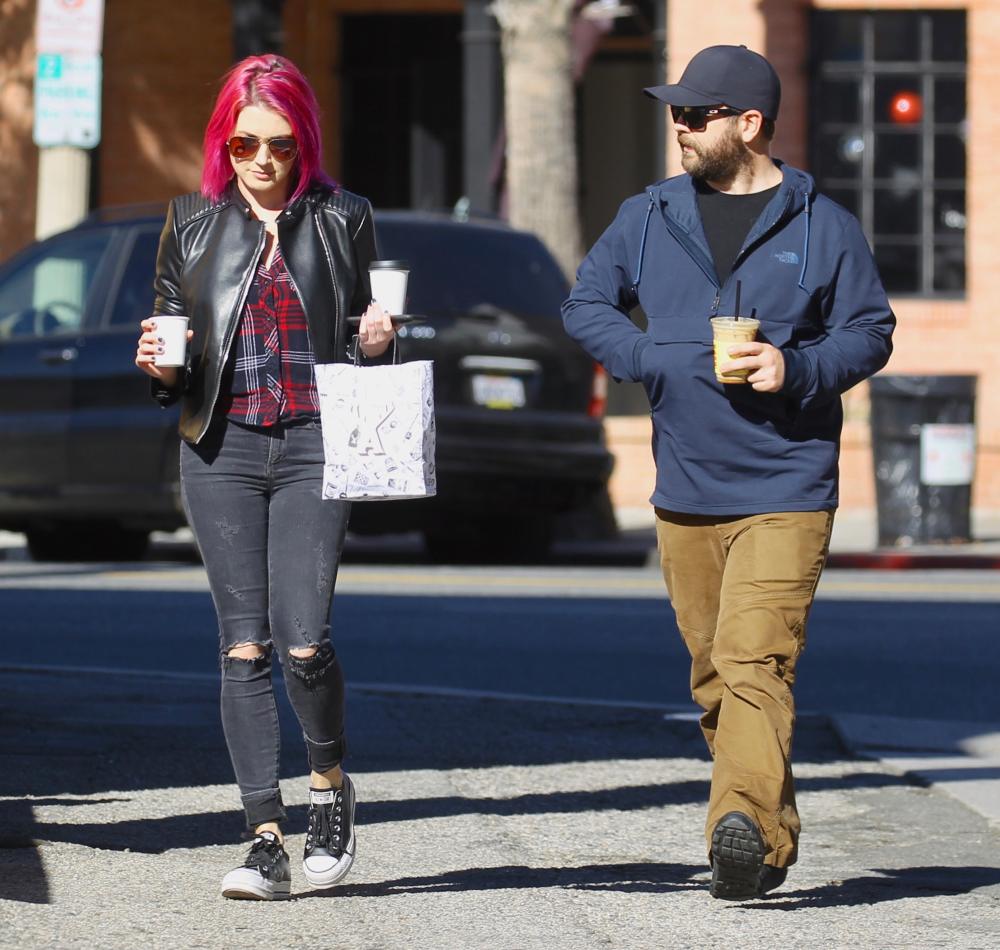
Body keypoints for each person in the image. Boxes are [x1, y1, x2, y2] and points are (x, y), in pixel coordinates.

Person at [562, 45, 894, 900]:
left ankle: (736, 828)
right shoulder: (650, 214)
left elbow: (869, 328)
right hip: (685, 488)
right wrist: (641, 354)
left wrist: (800, 369)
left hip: (786, 484)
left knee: (755, 663)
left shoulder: (824, 224)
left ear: (749, 124)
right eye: (676, 111)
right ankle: (767, 834)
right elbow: (586, 301)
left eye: (697, 113)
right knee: (715, 678)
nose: (680, 124)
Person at [135, 55, 395, 900]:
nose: (261, 160)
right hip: (223, 450)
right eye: (243, 142)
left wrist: (382, 341)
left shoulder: (342, 217)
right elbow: (173, 351)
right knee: (241, 647)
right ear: (224, 142)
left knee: (304, 639)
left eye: (279, 144)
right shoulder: (191, 223)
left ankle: (329, 786)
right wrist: (159, 365)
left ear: (302, 141)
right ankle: (264, 836)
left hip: (318, 443)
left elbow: (366, 336)